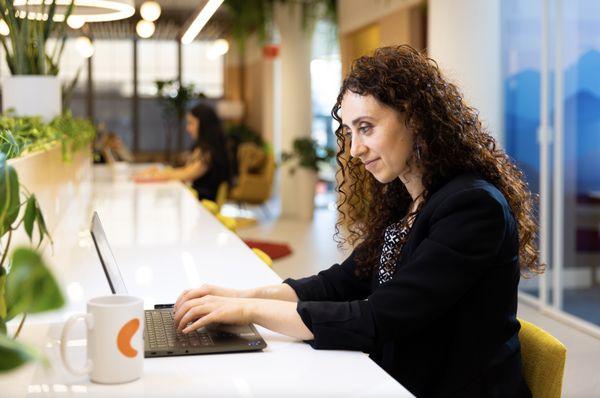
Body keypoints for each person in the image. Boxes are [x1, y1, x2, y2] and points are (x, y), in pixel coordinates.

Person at [172, 46, 542, 397]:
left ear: (415, 119)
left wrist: (249, 312)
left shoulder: (473, 207)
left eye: (366, 128)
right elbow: (340, 283)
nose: (355, 149)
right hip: (402, 378)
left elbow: (377, 318)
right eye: (350, 132)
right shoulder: (408, 200)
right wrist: (238, 297)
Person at [134, 103, 231, 201]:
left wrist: (155, 175)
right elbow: (185, 170)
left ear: (204, 125)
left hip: (203, 205)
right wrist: (161, 172)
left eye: (191, 123)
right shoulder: (204, 148)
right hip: (198, 201)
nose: (188, 128)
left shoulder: (208, 152)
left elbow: (186, 174)